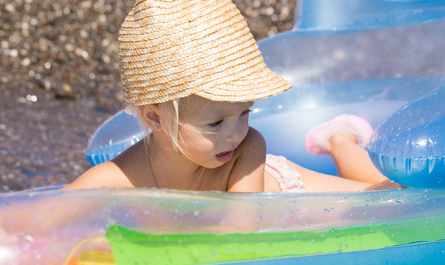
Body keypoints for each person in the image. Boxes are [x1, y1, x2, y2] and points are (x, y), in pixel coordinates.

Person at [64, 0, 400, 193]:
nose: (235, 132)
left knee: (385, 197)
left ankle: (340, 140)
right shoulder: (117, 177)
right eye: (215, 123)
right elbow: (41, 219)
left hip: (278, 191)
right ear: (155, 118)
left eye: (244, 113)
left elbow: (238, 234)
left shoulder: (247, 149)